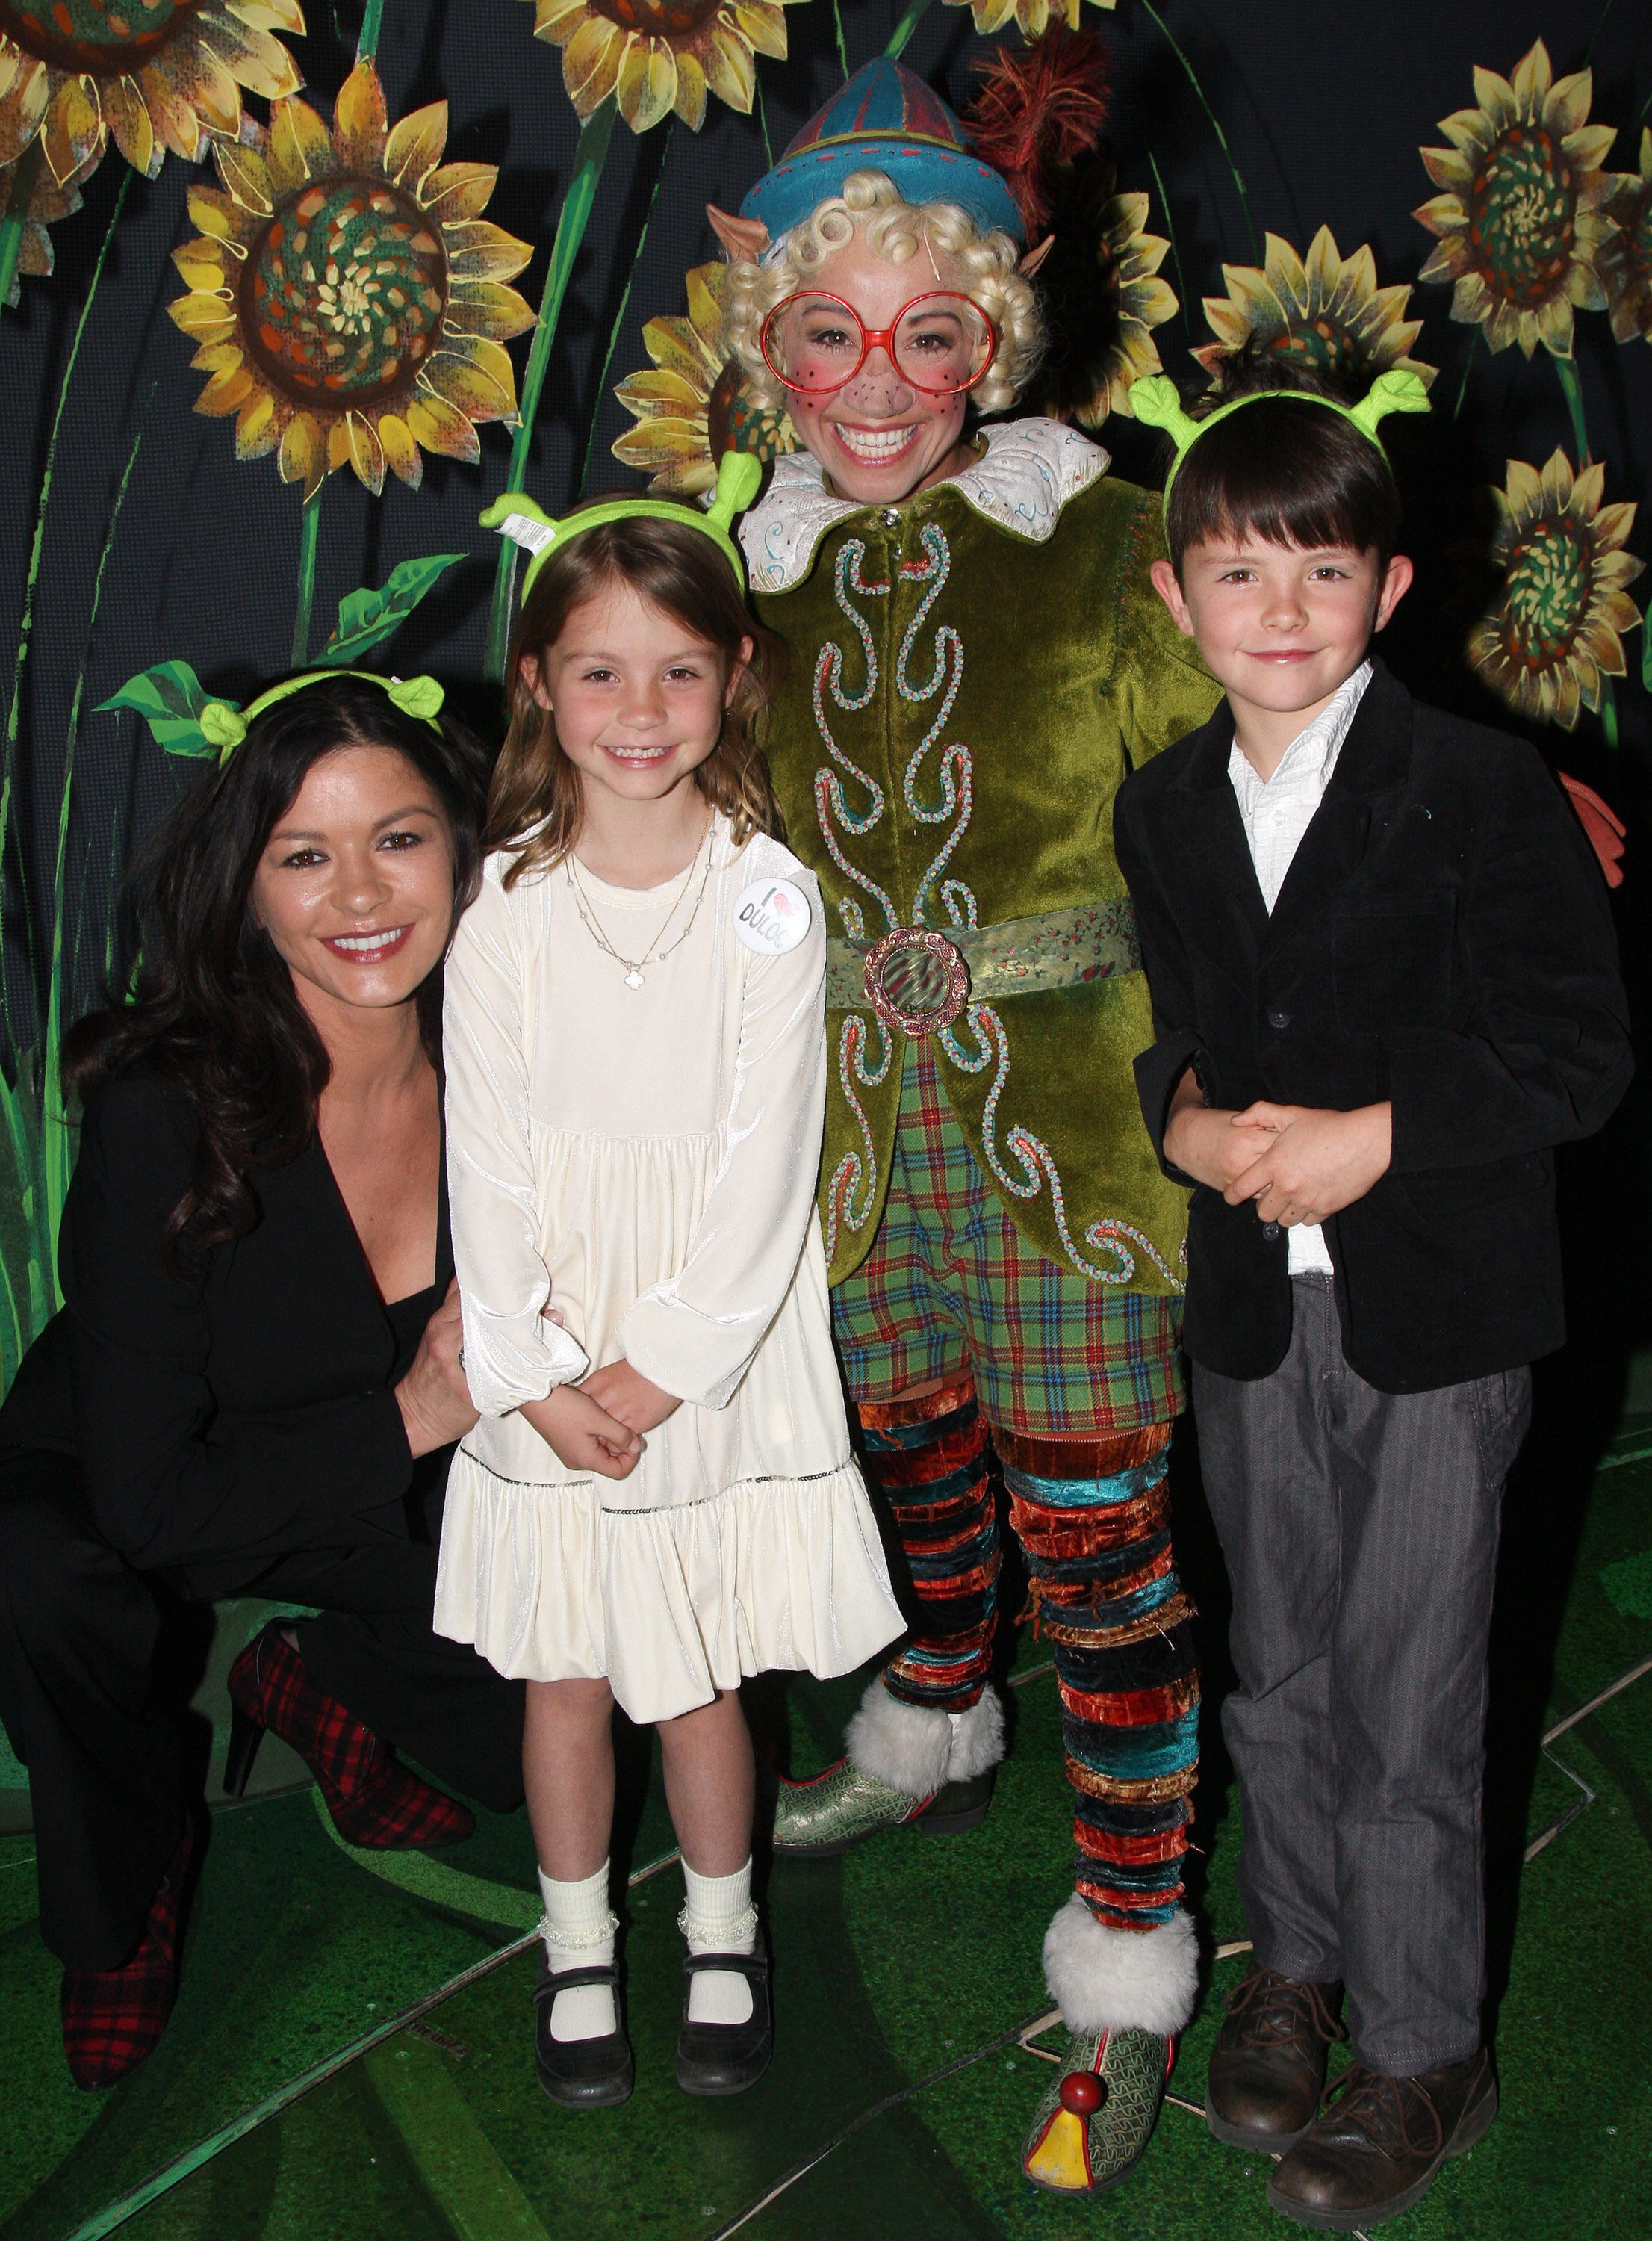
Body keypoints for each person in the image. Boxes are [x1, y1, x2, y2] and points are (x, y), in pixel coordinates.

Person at [702, 55, 1221, 2191]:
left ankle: (1127, 1941)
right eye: (828, 337)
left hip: (1072, 1143)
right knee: (909, 1466)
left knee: (1097, 1553)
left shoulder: (1102, 535)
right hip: (843, 1144)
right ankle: (931, 1723)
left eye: (927, 333)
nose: (878, 381)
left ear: (986, 341)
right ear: (772, 359)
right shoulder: (735, 574)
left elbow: (1260, 743)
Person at [1114, 360, 1633, 2229]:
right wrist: (1176, 1122)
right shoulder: (1162, 805)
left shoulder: (1480, 784)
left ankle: (1424, 2049)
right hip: (1257, 1313)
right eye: (1235, 575)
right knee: (1281, 1668)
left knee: (1412, 1689)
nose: (1276, 613)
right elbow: (1172, 1031)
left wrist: (1380, 1138)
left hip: (1434, 1310)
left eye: (1318, 575)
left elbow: (1575, 1057)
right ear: (1171, 596)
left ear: (1388, 594)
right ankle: (1298, 1967)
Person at [443, 455, 902, 2110]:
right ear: (538, 688)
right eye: (598, 671)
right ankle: (576, 1951)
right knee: (565, 1670)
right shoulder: (499, 906)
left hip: (706, 1343)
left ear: (735, 679)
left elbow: (762, 1153)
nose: (640, 708)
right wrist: (534, 1369)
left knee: (700, 1670)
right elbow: (481, 1162)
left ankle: (722, 1931)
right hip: (548, 1339)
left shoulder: (767, 900)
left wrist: (663, 1367)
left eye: (679, 669)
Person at [0, 672, 527, 2090]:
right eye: (304, 854)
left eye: (401, 839)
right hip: (142, 1472)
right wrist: (419, 1410)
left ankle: (312, 1678)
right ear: (245, 883)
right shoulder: (161, 1102)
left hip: (368, 1484)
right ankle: (123, 1904)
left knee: (554, 1759)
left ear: (468, 852)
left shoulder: (514, 1069)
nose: (360, 893)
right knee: (42, 1578)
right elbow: (156, 1500)